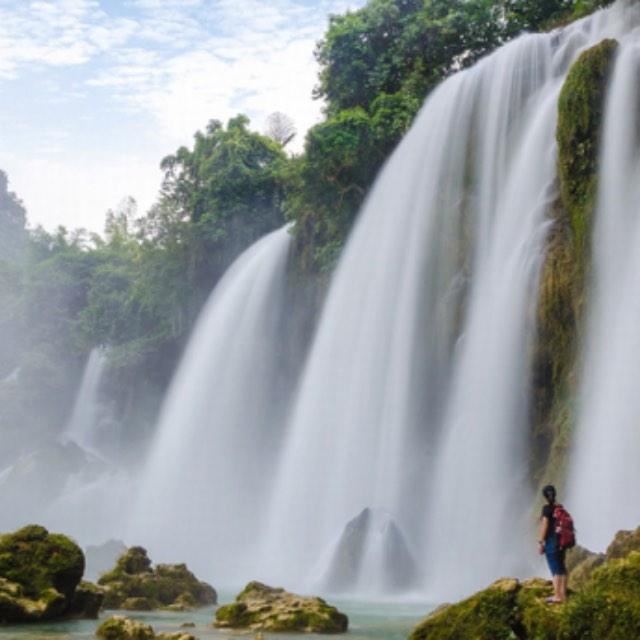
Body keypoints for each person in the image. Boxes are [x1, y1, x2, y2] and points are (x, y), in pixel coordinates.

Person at [538, 484, 568, 603]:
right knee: (562, 568)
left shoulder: (546, 509)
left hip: (552, 541)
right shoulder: (560, 507)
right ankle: (563, 595)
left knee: (555, 569)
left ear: (545, 496)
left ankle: (557, 596)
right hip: (562, 541)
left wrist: (541, 542)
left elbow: (545, 525)